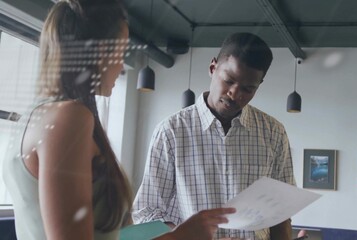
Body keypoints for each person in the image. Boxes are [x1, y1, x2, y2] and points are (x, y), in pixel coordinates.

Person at [2, 0, 234, 240]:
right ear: (99, 52)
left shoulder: (34, 114)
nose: (122, 65)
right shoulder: (69, 117)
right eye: (121, 52)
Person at [133, 32, 296, 240]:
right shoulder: (171, 132)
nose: (235, 94)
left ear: (258, 85)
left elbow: (281, 212)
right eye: (228, 81)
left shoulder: (274, 133)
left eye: (248, 89)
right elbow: (147, 212)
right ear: (213, 68)